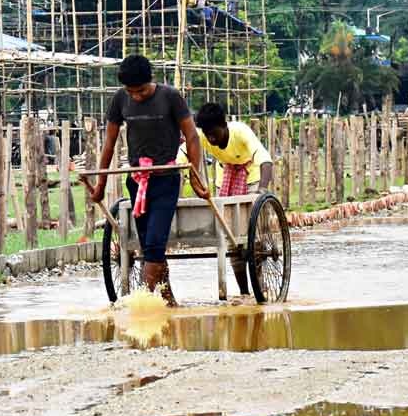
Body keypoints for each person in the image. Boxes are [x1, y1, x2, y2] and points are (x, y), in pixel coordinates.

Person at [88, 55, 207, 306]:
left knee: (153, 242)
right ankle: (168, 300)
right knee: (148, 246)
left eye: (140, 91)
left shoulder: (170, 97)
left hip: (166, 180)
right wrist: (99, 185)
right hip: (137, 182)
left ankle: (142, 301)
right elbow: (109, 143)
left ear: (150, 82)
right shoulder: (120, 100)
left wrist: (195, 178)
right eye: (131, 92)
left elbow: (192, 137)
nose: (136, 96)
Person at [181, 102, 274, 296]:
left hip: (252, 175)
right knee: (231, 239)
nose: (211, 138)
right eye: (208, 134)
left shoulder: (240, 131)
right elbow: (181, 158)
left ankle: (260, 286)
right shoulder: (201, 136)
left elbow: (264, 159)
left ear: (224, 125)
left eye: (215, 133)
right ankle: (244, 293)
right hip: (226, 176)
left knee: (252, 237)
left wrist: (261, 190)